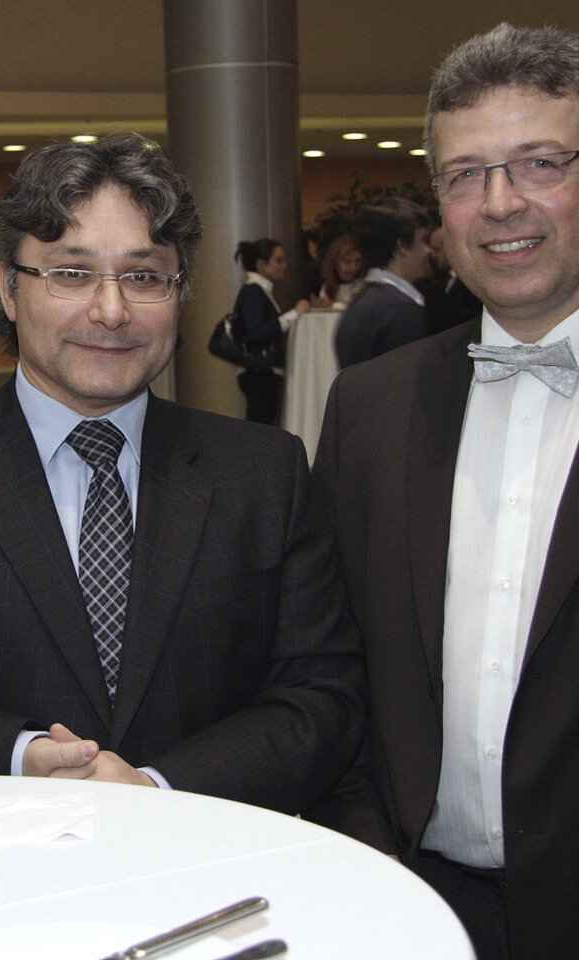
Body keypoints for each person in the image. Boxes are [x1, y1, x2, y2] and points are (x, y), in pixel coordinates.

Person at [0, 132, 364, 811]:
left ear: (180, 293)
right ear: (8, 288)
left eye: (144, 277)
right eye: (71, 273)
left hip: (207, 853)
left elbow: (322, 699)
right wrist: (16, 757)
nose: (111, 311)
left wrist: (158, 789)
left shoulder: (266, 474)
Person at [309, 22, 579, 960]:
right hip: (413, 903)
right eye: (466, 175)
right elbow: (328, 657)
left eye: (539, 162)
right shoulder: (369, 408)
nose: (500, 203)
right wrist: (364, 846)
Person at [334, 197, 431, 367]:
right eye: (423, 240)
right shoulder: (400, 310)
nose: (427, 250)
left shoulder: (363, 302)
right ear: (402, 245)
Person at [231, 238, 310, 424]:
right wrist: (294, 314)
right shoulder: (254, 291)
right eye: (278, 260)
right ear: (261, 264)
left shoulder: (258, 291)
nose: (284, 265)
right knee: (260, 427)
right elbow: (256, 331)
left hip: (261, 371)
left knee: (261, 425)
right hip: (260, 372)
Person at [420, 225, 483, 335]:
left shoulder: (473, 282)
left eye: (436, 249)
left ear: (451, 246)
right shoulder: (439, 278)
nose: (432, 255)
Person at [317, 235, 365, 305]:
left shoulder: (365, 286)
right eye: (348, 262)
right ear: (335, 263)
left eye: (357, 261)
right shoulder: (327, 289)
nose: (353, 267)